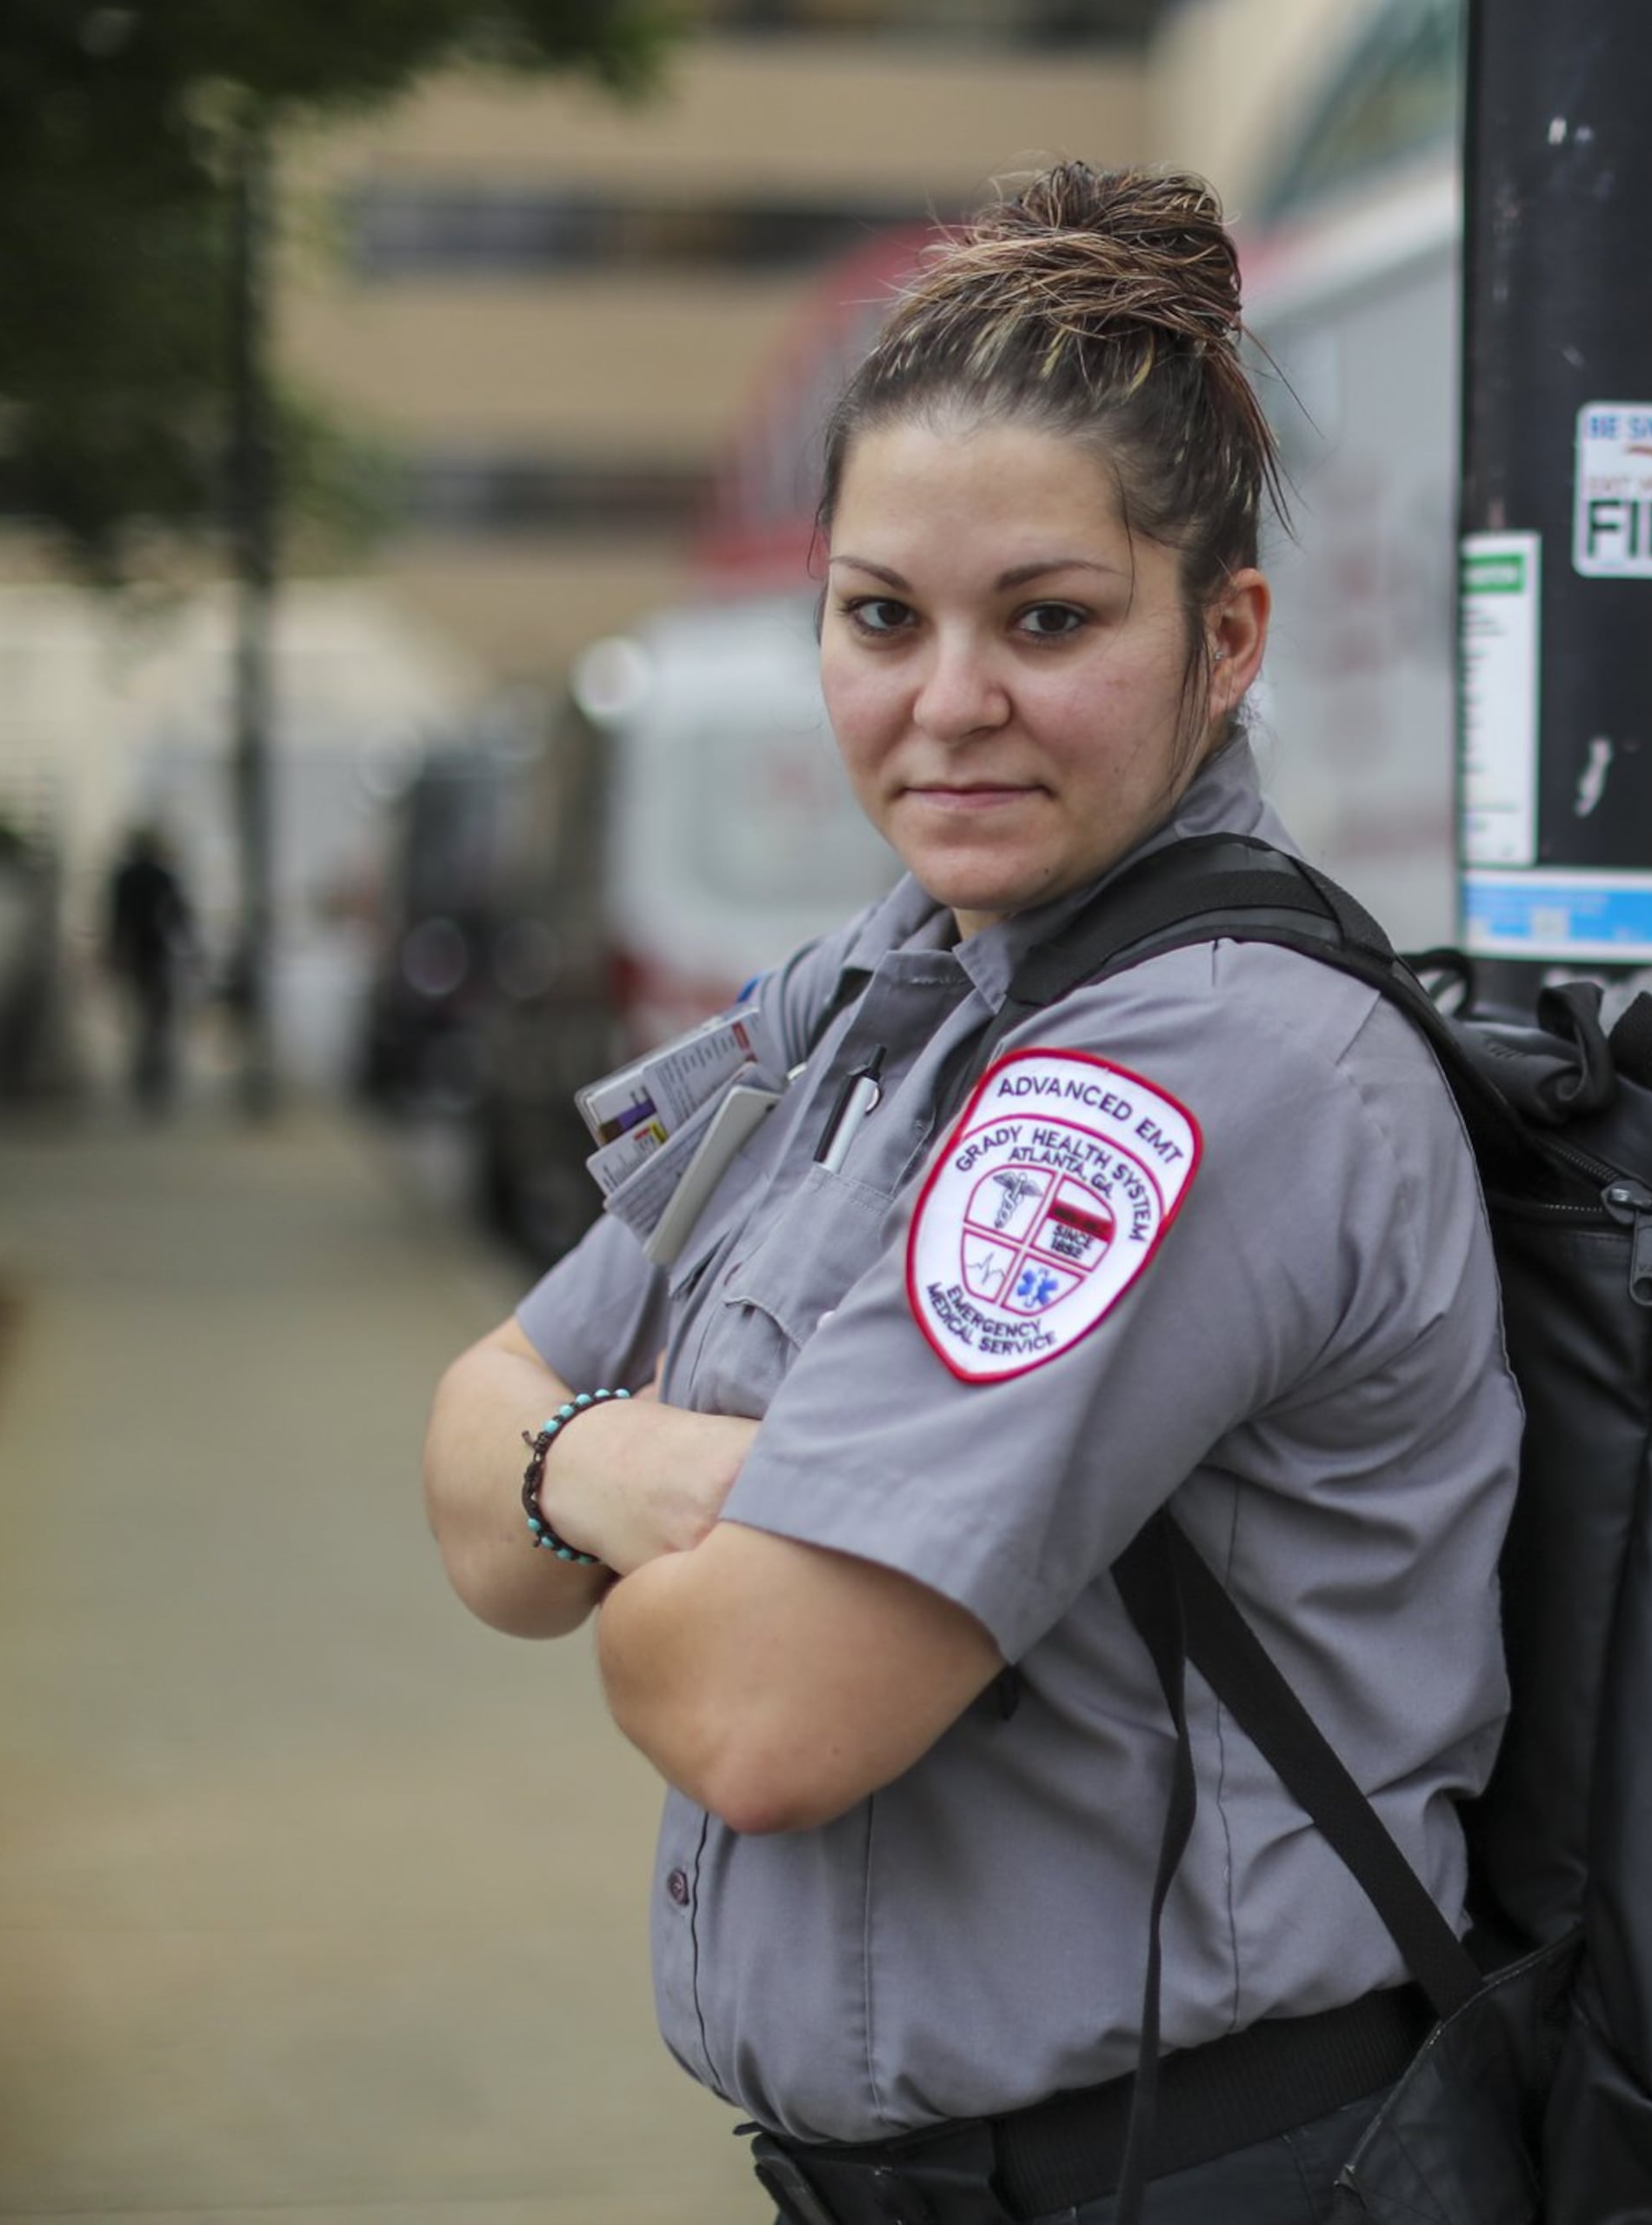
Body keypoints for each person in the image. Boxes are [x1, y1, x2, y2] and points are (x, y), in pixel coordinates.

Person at [419, 164, 1521, 2225]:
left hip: (1203, 2169)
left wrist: (569, 1469)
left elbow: (752, 1707)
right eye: (879, 618)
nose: (947, 705)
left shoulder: (1200, 1062)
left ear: (1226, 637)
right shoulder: (884, 991)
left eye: (1048, 618)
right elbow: (467, 1474)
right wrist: (666, 1477)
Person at [104, 825, 193, 1113]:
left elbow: (116, 920)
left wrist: (113, 954)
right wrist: (192, 950)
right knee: (157, 1019)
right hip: (158, 954)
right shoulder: (162, 876)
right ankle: (154, 1075)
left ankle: (145, 1076)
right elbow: (180, 915)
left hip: (134, 954)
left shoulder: (124, 878)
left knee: (141, 1016)